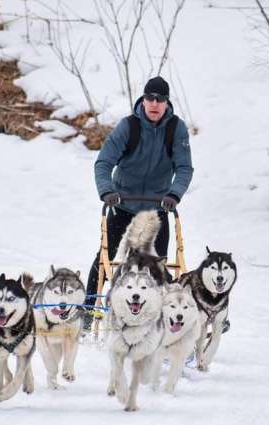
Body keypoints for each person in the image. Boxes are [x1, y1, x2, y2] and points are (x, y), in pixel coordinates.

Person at [83, 76, 193, 330]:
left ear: (166, 103)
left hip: (158, 206)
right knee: (105, 258)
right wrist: (107, 190)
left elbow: (185, 167)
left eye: (160, 100)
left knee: (160, 265)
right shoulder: (128, 127)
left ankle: (164, 320)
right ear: (143, 100)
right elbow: (104, 162)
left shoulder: (176, 129)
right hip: (122, 203)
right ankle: (88, 312)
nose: (154, 104)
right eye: (150, 98)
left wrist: (174, 194)